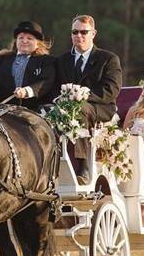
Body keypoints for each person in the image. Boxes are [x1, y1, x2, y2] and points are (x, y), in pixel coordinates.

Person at [53, 15, 123, 181]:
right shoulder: (61, 61)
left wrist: (84, 95)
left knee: (80, 110)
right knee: (49, 112)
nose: (79, 36)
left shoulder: (108, 59)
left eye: (84, 32)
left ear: (93, 33)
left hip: (100, 107)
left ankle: (82, 167)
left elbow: (111, 89)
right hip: (66, 106)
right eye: (75, 32)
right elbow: (54, 88)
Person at [0, 21, 56, 112]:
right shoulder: (2, 60)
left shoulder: (47, 61)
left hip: (34, 111)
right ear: (16, 41)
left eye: (29, 38)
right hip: (1, 110)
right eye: (21, 38)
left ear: (38, 43)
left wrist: (26, 91)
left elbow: (45, 82)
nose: (24, 41)